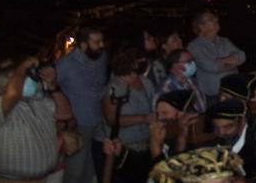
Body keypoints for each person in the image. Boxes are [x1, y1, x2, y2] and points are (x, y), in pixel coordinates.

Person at [0, 56, 71, 183]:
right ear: (6, 85)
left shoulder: (40, 101)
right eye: (23, 77)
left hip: (42, 179)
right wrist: (22, 68)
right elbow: (13, 94)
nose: (28, 80)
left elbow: (66, 114)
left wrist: (53, 86)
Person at [93, 47, 157, 182]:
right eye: (140, 60)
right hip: (116, 148)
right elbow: (111, 119)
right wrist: (143, 118)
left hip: (141, 147)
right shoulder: (115, 87)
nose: (144, 61)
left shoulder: (146, 82)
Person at [56, 25, 108, 183]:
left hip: (99, 122)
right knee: (76, 171)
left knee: (92, 170)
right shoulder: (66, 64)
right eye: (97, 42)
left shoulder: (102, 57)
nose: (101, 45)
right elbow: (51, 88)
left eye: (102, 41)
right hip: (78, 124)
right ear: (84, 44)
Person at [186, 11, 246, 103]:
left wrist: (220, 62)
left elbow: (242, 56)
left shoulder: (225, 41)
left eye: (215, 18)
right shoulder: (194, 46)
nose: (216, 20)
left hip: (234, 91)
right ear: (201, 26)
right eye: (211, 19)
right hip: (214, 95)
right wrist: (231, 62)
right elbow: (211, 66)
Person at [159, 50, 206, 114]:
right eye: (189, 61)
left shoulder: (195, 81)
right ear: (175, 65)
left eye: (193, 60)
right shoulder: (165, 90)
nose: (193, 63)